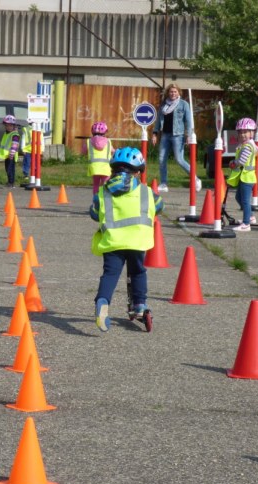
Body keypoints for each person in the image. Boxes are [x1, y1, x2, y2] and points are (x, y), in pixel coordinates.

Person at [90, 147, 163, 332]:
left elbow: (94, 213)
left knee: (110, 274)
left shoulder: (103, 193)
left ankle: (102, 301)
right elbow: (160, 206)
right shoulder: (147, 192)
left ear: (113, 169)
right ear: (138, 172)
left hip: (112, 242)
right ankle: (139, 304)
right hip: (138, 241)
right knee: (137, 272)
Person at [151, 83, 202, 193]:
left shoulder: (183, 104)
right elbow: (158, 120)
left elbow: (188, 121)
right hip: (165, 135)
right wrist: (155, 133)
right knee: (161, 159)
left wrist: (188, 135)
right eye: (171, 91)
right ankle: (163, 184)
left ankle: (195, 179)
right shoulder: (163, 105)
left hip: (178, 135)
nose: (173, 93)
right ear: (168, 93)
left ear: (178, 93)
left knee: (179, 159)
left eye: (175, 91)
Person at [227, 118, 258, 232]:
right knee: (238, 197)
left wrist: (233, 163)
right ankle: (250, 217)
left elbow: (241, 161)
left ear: (252, 133)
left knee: (245, 201)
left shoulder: (247, 147)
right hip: (244, 177)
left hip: (247, 177)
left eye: (245, 132)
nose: (242, 135)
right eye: (240, 132)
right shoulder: (246, 145)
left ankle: (246, 224)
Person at [86, 121, 114, 194]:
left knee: (96, 184)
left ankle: (96, 199)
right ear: (105, 132)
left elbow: (83, 151)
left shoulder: (89, 141)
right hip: (106, 167)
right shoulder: (108, 142)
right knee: (105, 185)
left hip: (94, 167)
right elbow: (113, 151)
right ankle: (104, 199)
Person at [0, 115, 21, 187]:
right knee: (7, 169)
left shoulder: (14, 134)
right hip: (7, 155)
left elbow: (15, 144)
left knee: (10, 169)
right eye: (7, 125)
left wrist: (12, 153)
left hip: (11, 155)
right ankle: (9, 181)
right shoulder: (6, 133)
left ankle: (11, 182)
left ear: (14, 126)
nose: (8, 127)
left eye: (10, 126)